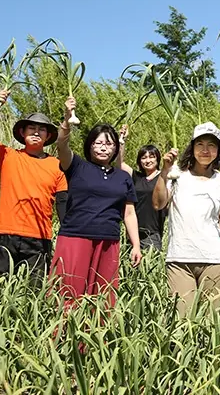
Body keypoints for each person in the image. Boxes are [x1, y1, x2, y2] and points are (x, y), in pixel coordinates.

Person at [50, 96, 141, 308]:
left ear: (115, 149)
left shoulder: (123, 177)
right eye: (98, 142)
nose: (103, 147)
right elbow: (61, 145)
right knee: (68, 293)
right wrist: (66, 118)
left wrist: (135, 244)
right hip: (75, 237)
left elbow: (129, 213)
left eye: (108, 144)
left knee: (103, 298)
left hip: (109, 240)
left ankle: (98, 340)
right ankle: (62, 339)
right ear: (90, 145)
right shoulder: (77, 166)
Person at [0, 90, 68, 283]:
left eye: (41, 129)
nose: (35, 132)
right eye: (31, 128)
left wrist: (69, 237)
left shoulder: (57, 166)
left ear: (48, 135)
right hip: (5, 233)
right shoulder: (7, 156)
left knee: (35, 290)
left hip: (40, 237)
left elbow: (63, 205)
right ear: (23, 133)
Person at [152, 122, 220, 318]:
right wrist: (164, 172)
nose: (205, 150)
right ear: (192, 147)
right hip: (180, 258)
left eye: (212, 145)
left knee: (212, 323)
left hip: (215, 260)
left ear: (218, 150)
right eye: (200, 144)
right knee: (181, 321)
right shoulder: (176, 176)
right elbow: (158, 204)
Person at [116, 125, 167, 251]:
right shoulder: (136, 177)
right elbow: (120, 163)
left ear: (157, 159)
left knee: (151, 267)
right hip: (133, 231)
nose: (147, 160)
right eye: (144, 158)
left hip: (153, 233)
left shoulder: (163, 178)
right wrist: (122, 140)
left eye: (151, 157)